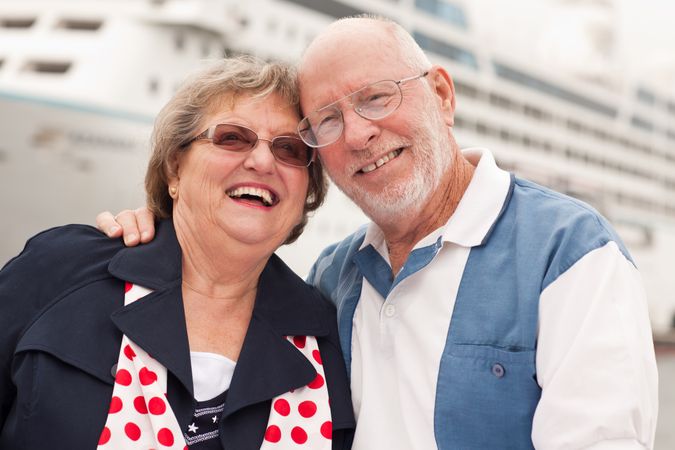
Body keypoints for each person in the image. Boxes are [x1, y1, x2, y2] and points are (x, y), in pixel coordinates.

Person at [96, 16, 659, 450]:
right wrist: (160, 238)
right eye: (328, 122)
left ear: (441, 96)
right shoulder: (331, 279)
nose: (360, 135)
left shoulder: (569, 254)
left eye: (376, 96)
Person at [0, 56, 355, 449]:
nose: (262, 161)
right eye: (232, 137)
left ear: (307, 190)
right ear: (174, 168)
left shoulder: (330, 339)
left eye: (288, 149)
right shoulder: (61, 272)